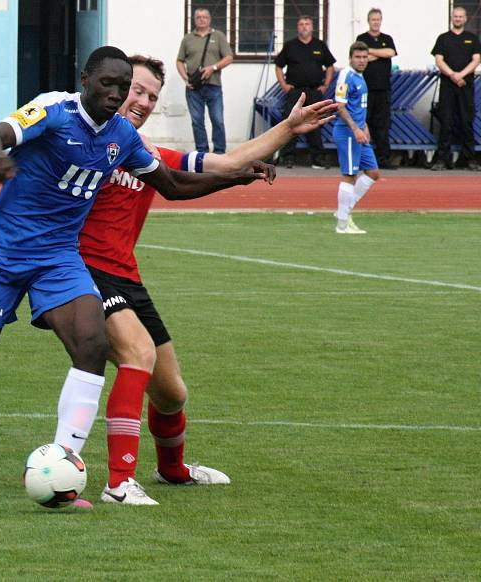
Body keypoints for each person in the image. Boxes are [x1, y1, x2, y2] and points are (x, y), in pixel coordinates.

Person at [0, 47, 272, 494]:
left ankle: (63, 469)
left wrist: (238, 177)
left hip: (58, 258)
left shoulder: (122, 138)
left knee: (91, 344)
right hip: (2, 256)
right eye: (108, 84)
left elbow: (171, 186)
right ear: (85, 79)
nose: (116, 94)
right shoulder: (54, 109)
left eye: (123, 87)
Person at [80, 55, 337, 505]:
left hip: (127, 275)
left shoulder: (146, 154)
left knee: (172, 393)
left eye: (151, 96)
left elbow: (225, 161)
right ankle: (118, 483)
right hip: (84, 270)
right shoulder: (80, 142)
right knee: (136, 356)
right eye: (136, 90)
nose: (140, 101)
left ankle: (173, 470)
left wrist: (287, 130)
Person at [275, 15, 336, 169]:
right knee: (290, 124)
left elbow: (330, 66)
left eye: (307, 24)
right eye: (301, 24)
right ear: (297, 27)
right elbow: (278, 66)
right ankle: (287, 157)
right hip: (295, 92)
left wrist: (326, 85)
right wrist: (284, 85)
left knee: (315, 124)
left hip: (314, 91)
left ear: (312, 27)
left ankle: (317, 159)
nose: (304, 27)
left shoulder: (320, 45)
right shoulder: (290, 46)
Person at [333, 42, 379, 235]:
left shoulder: (360, 77)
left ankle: (343, 211)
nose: (361, 60)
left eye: (364, 57)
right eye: (358, 57)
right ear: (350, 58)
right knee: (349, 175)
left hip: (359, 132)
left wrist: (364, 126)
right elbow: (340, 106)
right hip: (348, 133)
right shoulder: (346, 75)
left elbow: (357, 107)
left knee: (373, 172)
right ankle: (342, 225)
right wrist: (355, 129)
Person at [176, 8, 233, 154]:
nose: (201, 19)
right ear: (194, 20)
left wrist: (213, 68)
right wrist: (185, 78)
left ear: (209, 19)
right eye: (198, 17)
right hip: (193, 87)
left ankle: (220, 152)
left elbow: (229, 57)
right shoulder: (188, 38)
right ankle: (201, 151)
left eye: (204, 17)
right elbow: (179, 61)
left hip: (214, 85)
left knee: (217, 120)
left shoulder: (218, 36)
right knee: (197, 121)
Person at [430, 6, 481, 172]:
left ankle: (470, 160)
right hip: (447, 87)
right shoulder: (443, 38)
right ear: (452, 18)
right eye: (455, 16)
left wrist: (461, 75)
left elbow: (476, 60)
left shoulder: (472, 38)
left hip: (466, 87)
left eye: (461, 17)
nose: (458, 19)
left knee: (467, 122)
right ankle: (442, 160)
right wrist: (453, 75)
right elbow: (439, 60)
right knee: (446, 122)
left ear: (465, 19)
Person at [356, 8, 397, 169]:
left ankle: (383, 159)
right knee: (363, 123)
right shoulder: (362, 38)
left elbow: (390, 52)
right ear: (368, 21)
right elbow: (360, 56)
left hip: (383, 90)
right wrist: (378, 54)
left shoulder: (387, 38)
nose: (376, 22)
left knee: (382, 126)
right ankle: (362, 159)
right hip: (365, 90)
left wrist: (371, 52)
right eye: (373, 19)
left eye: (378, 19)